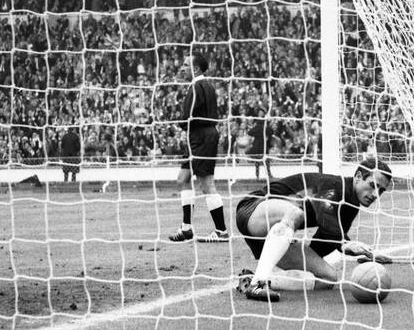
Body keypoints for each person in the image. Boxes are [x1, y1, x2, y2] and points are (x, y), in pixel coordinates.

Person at [234, 159, 393, 303]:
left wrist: (359, 251)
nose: (375, 195)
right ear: (358, 176)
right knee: (295, 213)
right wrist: (345, 243)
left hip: (275, 236)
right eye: (373, 185)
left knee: (328, 278)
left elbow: (322, 244)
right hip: (253, 210)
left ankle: (252, 280)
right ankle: (258, 284)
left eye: (381, 191)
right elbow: (325, 212)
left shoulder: (350, 208)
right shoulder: (335, 186)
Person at [168, 53, 228, 242]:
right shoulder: (205, 86)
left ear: (195, 68)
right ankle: (186, 228)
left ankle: (221, 231)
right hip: (197, 136)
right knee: (183, 178)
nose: (182, 68)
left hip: (202, 137)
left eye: (185, 65)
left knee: (206, 183)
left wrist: (180, 121)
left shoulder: (197, 86)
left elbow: (187, 117)